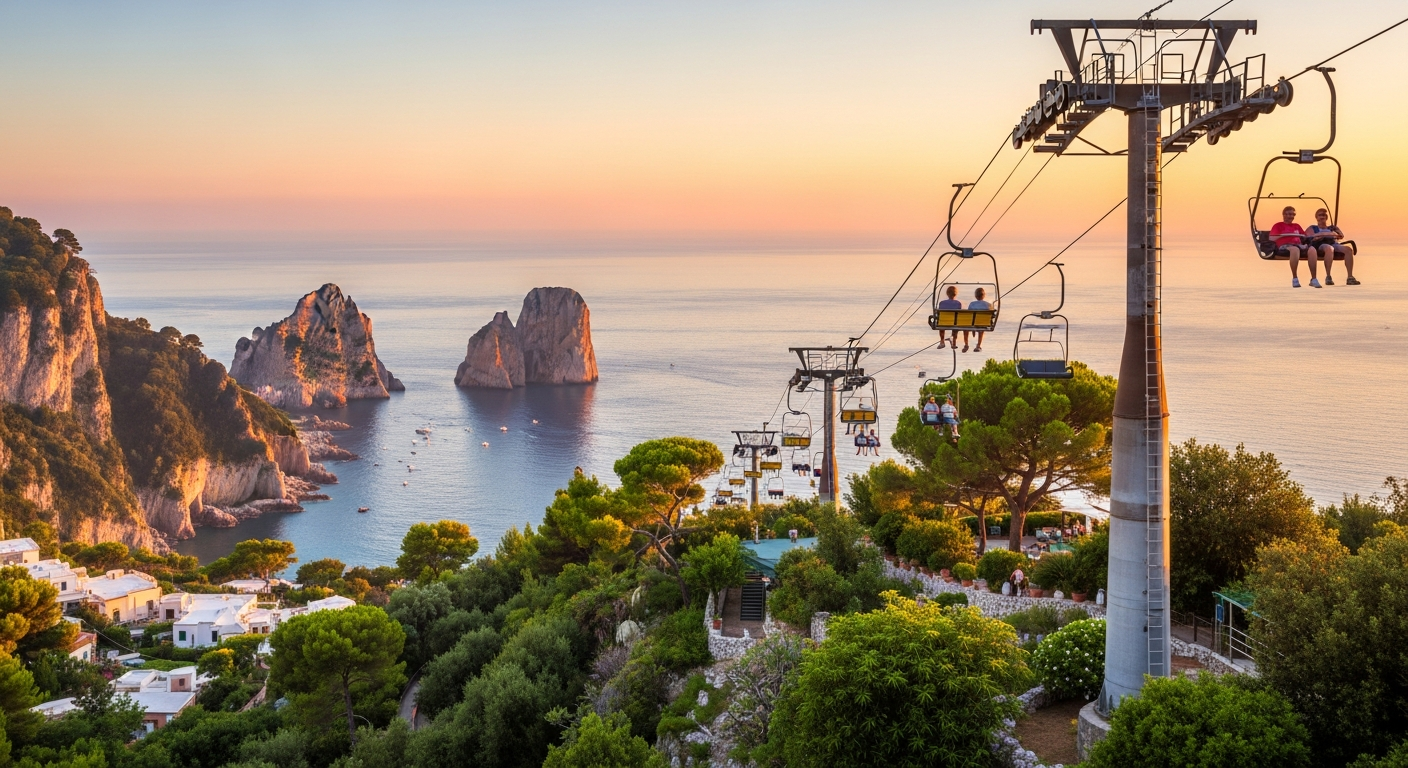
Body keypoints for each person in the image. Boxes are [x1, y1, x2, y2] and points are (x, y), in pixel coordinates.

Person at [1269, 206, 1322, 288]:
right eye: (1289, 214)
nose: (1291, 216)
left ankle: (1314, 278)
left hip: (1298, 245)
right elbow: (1271, 238)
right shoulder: (1278, 225)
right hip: (1285, 246)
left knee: (1312, 249)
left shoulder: (1296, 226)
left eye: (1292, 214)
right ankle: (1295, 278)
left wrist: (1315, 237)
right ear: (1284, 215)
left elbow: (1304, 236)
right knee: (1295, 249)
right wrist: (1283, 236)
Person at [1307, 208, 1360, 286]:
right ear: (1316, 217)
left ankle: (1350, 277)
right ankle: (1328, 276)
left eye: (1324, 215)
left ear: (1326, 217)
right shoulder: (1313, 228)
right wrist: (1322, 235)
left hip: (1333, 243)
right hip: (1320, 244)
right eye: (1320, 215)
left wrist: (1332, 234)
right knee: (1329, 248)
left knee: (1348, 249)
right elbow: (1309, 236)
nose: (1322, 217)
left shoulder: (1332, 228)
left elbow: (1341, 235)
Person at [964, 287, 991, 352]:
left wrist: (973, 328)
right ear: (984, 295)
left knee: (966, 329)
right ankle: (978, 345)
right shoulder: (988, 305)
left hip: (973, 323)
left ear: (975, 296)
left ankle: (966, 344)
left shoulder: (972, 304)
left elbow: (970, 315)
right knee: (981, 330)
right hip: (983, 324)